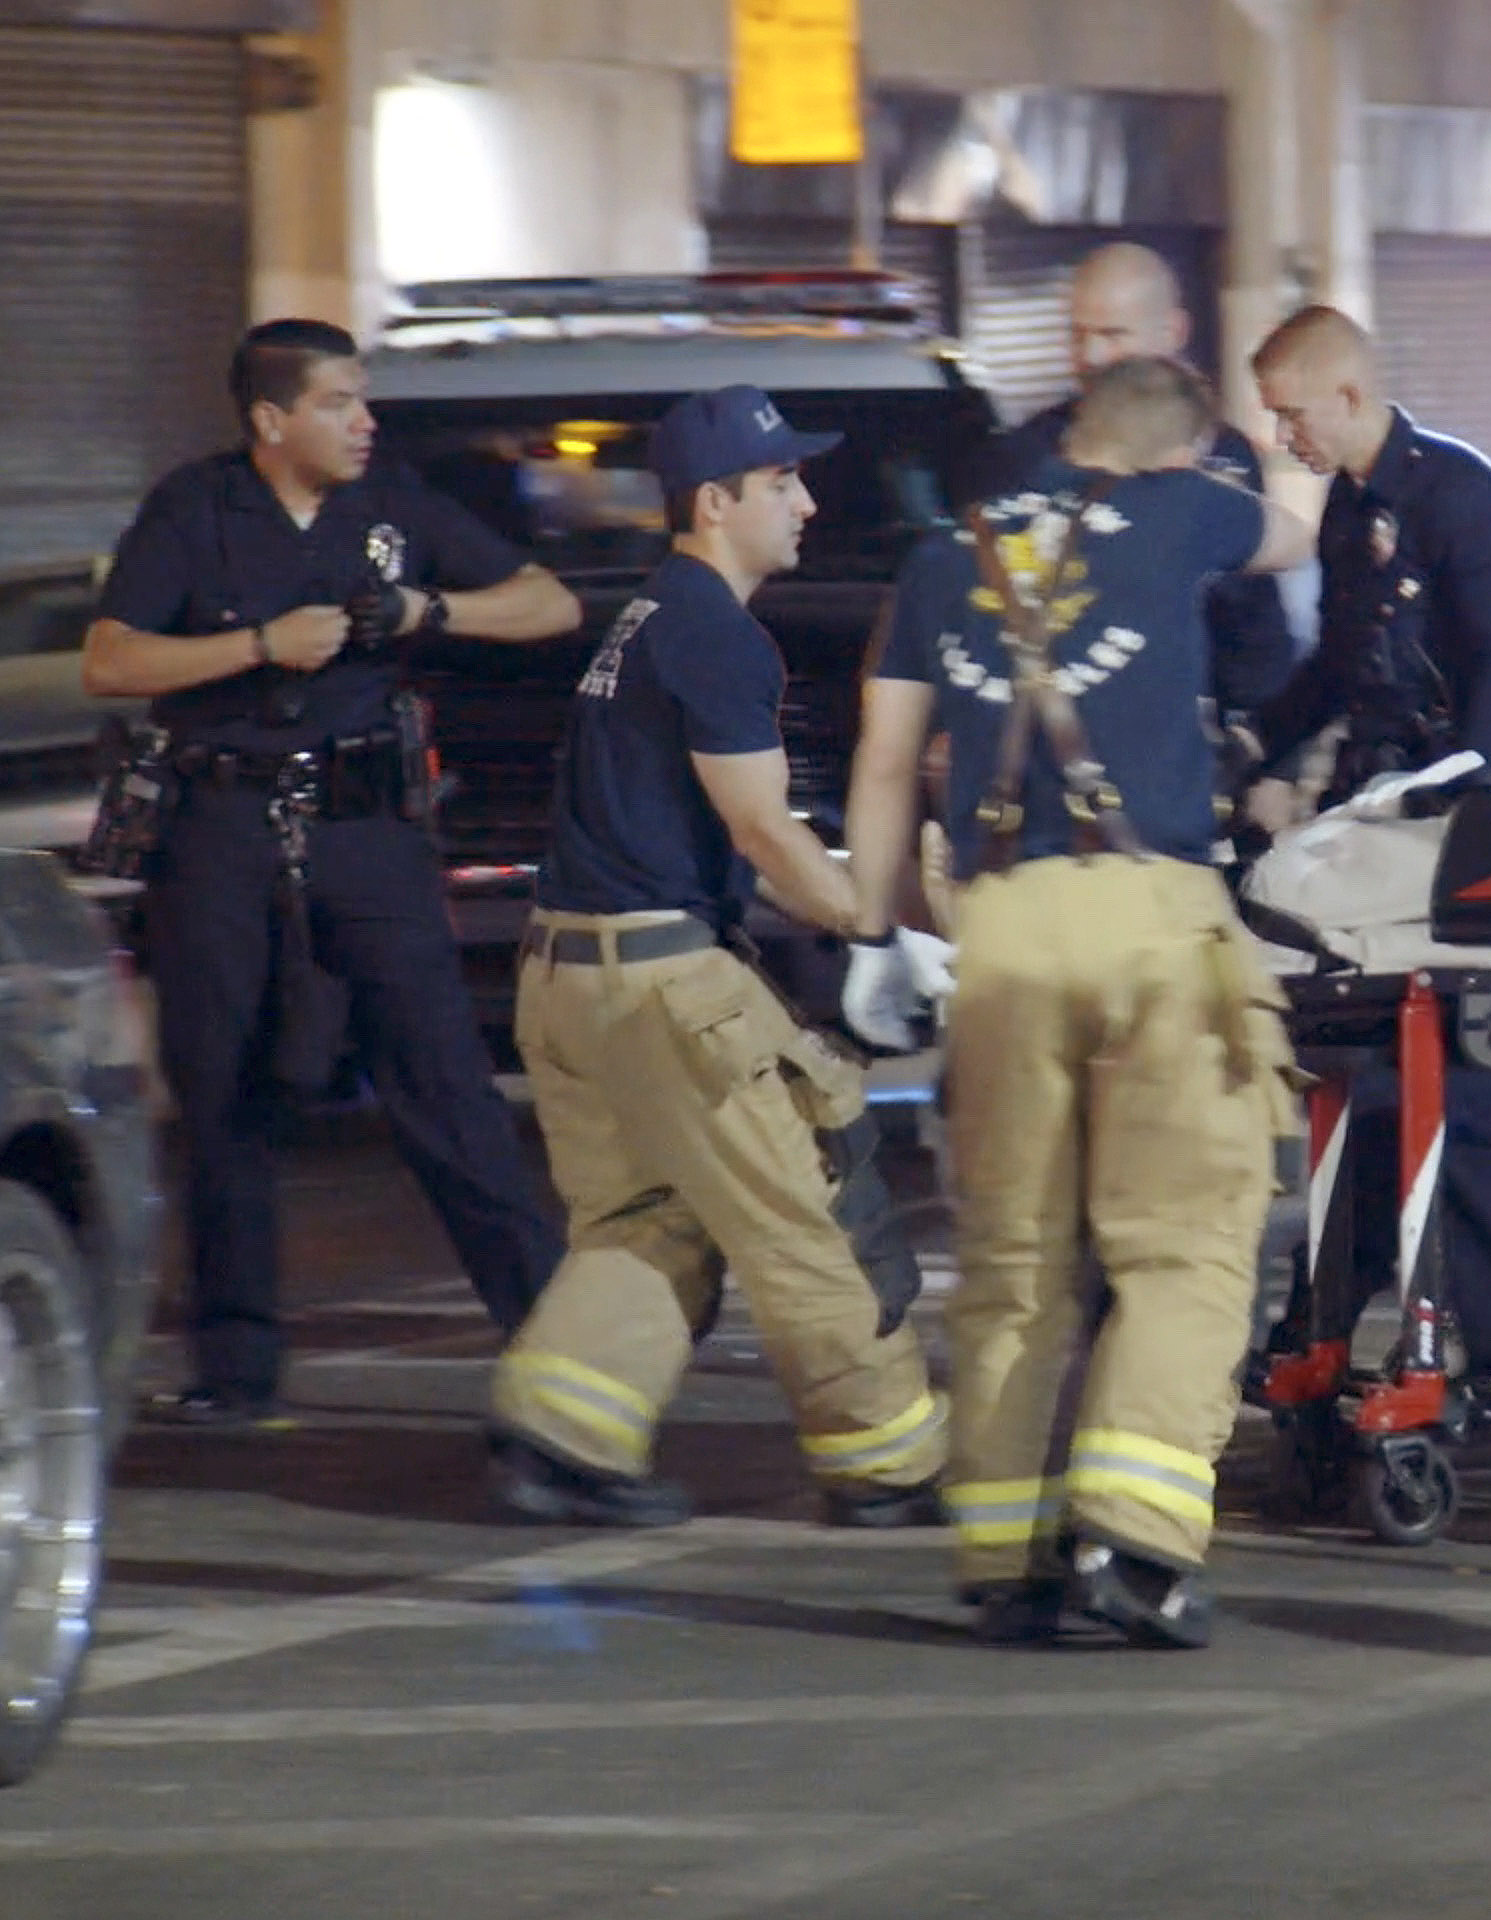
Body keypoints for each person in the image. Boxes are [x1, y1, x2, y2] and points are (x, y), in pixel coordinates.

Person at [843, 356, 1315, 1647]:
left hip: (996, 935)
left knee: (1010, 1264)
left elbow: (885, 760)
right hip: (1153, 925)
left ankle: (1000, 1555)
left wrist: (873, 928)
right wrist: (1248, 457)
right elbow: (1295, 530)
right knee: (1185, 1240)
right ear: (1171, 455)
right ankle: (1137, 1538)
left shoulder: (945, 554)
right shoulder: (1181, 508)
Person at [83, 318, 578, 1430]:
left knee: (443, 1081)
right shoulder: (194, 508)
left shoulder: (393, 504)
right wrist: (259, 646)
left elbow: (549, 604)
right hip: (219, 826)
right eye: (339, 403)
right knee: (224, 1096)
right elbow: (111, 659)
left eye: (363, 401)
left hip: (365, 831)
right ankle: (235, 1371)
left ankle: (559, 1352)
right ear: (272, 420)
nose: (365, 422)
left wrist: (426, 610)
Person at [485, 385, 948, 1530]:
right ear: (714, 499)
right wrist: (870, 929)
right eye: (782, 478)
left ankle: (562, 1432)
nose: (806, 498)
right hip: (662, 988)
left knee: (651, 1216)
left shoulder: (646, 617)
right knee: (807, 1209)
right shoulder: (716, 635)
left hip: (565, 979)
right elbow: (759, 830)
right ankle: (886, 1464)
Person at [1240, 305, 1491, 1379]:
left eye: (1293, 414)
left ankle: (1421, 1329)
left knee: (1433, 1084)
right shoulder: (1352, 506)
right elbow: (1342, 662)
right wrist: (1253, 744)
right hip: (1382, 813)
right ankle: (1343, 1319)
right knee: (1390, 1080)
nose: (1285, 437)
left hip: (1443, 829)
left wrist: (1460, 800)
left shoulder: (1460, 494)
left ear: (1345, 394)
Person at [955, 242, 1296, 724]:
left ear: (1174, 332)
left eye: (1113, 335)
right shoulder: (1019, 461)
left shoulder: (1227, 454)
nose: (1092, 356)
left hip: (1198, 739)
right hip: (1066, 732)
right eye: (1078, 335)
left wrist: (1271, 761)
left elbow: (1257, 622)